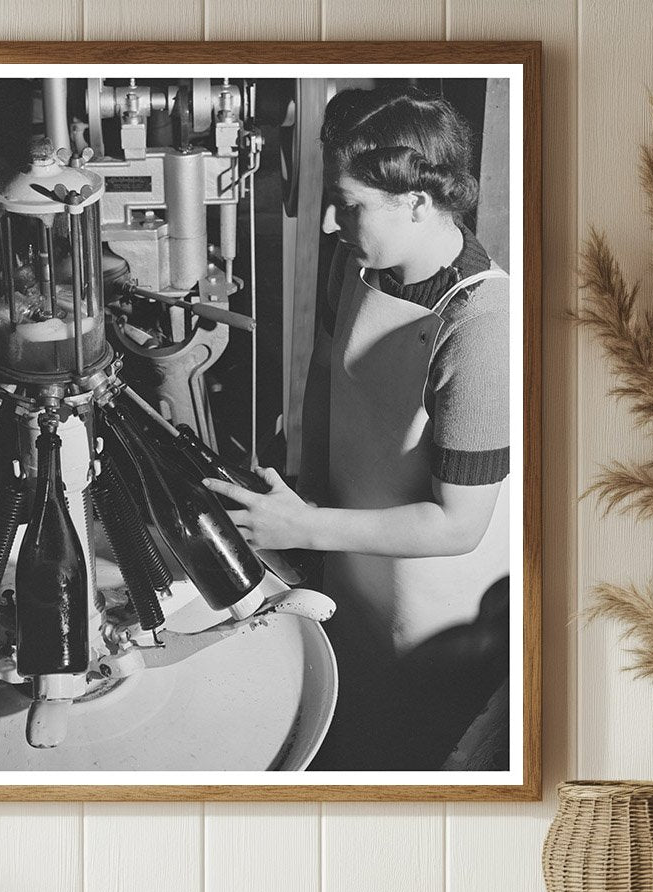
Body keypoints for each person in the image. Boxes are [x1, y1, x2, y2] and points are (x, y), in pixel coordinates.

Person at [204, 85, 510, 770]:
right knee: (343, 726)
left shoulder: (482, 324)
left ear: (417, 202)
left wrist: (305, 527)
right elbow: (326, 373)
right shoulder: (359, 262)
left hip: (428, 608)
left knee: (403, 755)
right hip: (348, 557)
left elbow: (458, 527)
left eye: (349, 205)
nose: (328, 223)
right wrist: (304, 498)